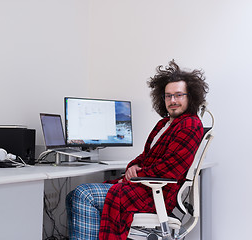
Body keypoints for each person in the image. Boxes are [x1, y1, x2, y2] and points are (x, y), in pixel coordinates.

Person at [66, 59, 209, 240]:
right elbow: (146, 156)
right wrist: (133, 167)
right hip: (144, 185)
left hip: (155, 193)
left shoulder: (189, 124)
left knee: (83, 195)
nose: (173, 100)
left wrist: (134, 178)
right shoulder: (165, 123)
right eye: (168, 96)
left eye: (179, 95)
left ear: (190, 97)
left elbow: (170, 169)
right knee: (73, 196)